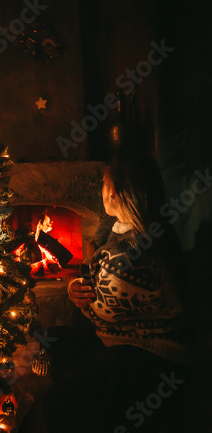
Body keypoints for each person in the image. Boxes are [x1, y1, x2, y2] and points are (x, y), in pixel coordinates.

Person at [44, 151, 198, 433]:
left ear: (114, 192)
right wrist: (74, 286)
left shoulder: (135, 252)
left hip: (152, 354)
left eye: (104, 182)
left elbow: (102, 314)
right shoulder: (128, 229)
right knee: (51, 340)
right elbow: (92, 274)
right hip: (121, 339)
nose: (100, 189)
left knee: (58, 400)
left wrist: (80, 295)